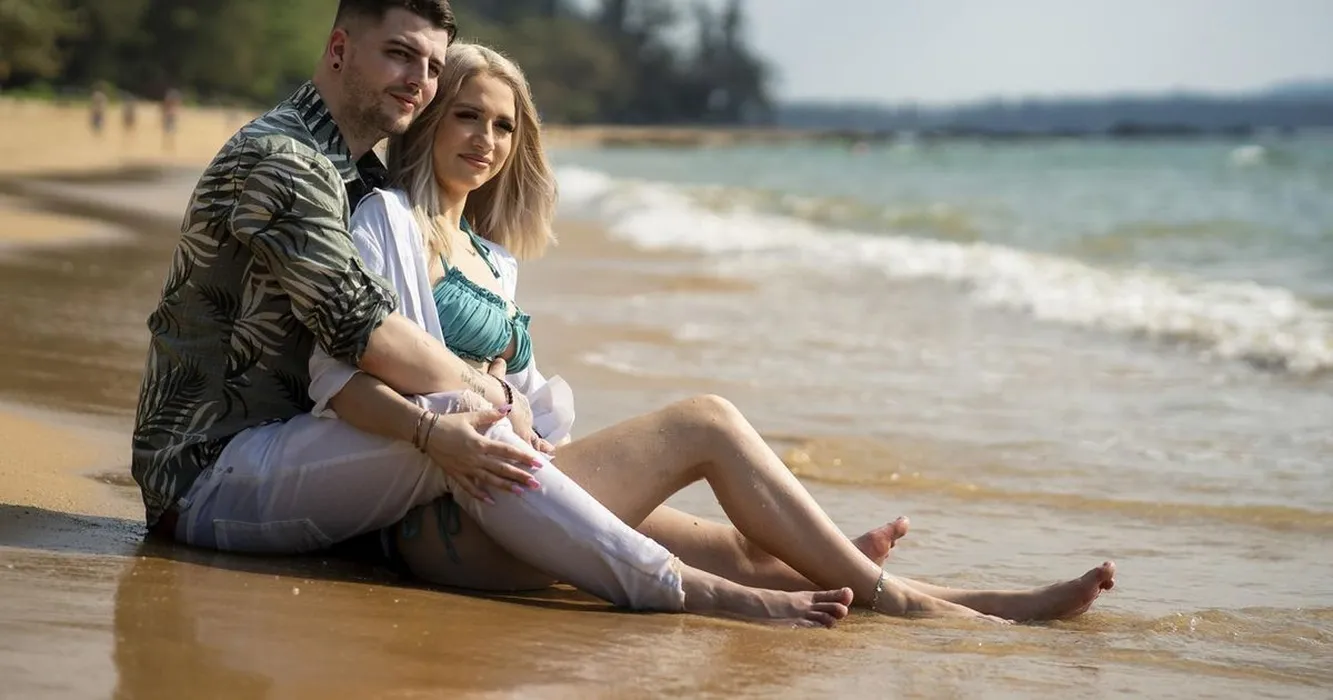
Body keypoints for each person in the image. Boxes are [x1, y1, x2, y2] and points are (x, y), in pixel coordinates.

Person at [312, 42, 1117, 624]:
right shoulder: (389, 222)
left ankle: (976, 602)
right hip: (444, 520)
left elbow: (521, 400)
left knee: (744, 553)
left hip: (518, 494)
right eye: (466, 116)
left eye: (503, 126)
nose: (485, 141)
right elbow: (361, 369)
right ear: (428, 121)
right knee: (705, 421)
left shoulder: (492, 259)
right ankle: (899, 600)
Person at [130, 1, 851, 628]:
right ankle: (687, 588)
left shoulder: (360, 176)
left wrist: (496, 401)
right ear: (340, 48)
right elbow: (362, 332)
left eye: (430, 65)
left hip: (310, 462)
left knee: (496, 430)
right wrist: (494, 396)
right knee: (472, 418)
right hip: (207, 473)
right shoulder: (287, 162)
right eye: (399, 54)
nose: (417, 79)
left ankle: (830, 572)